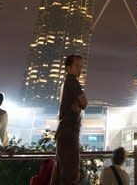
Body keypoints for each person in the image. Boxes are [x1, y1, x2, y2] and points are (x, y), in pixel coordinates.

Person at [53, 54, 88, 185]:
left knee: (60, 176)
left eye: (81, 66)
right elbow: (85, 102)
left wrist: (78, 104)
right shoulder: (72, 81)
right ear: (68, 68)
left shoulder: (65, 83)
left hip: (63, 132)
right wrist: (81, 104)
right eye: (77, 66)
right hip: (69, 133)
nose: (80, 69)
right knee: (71, 175)